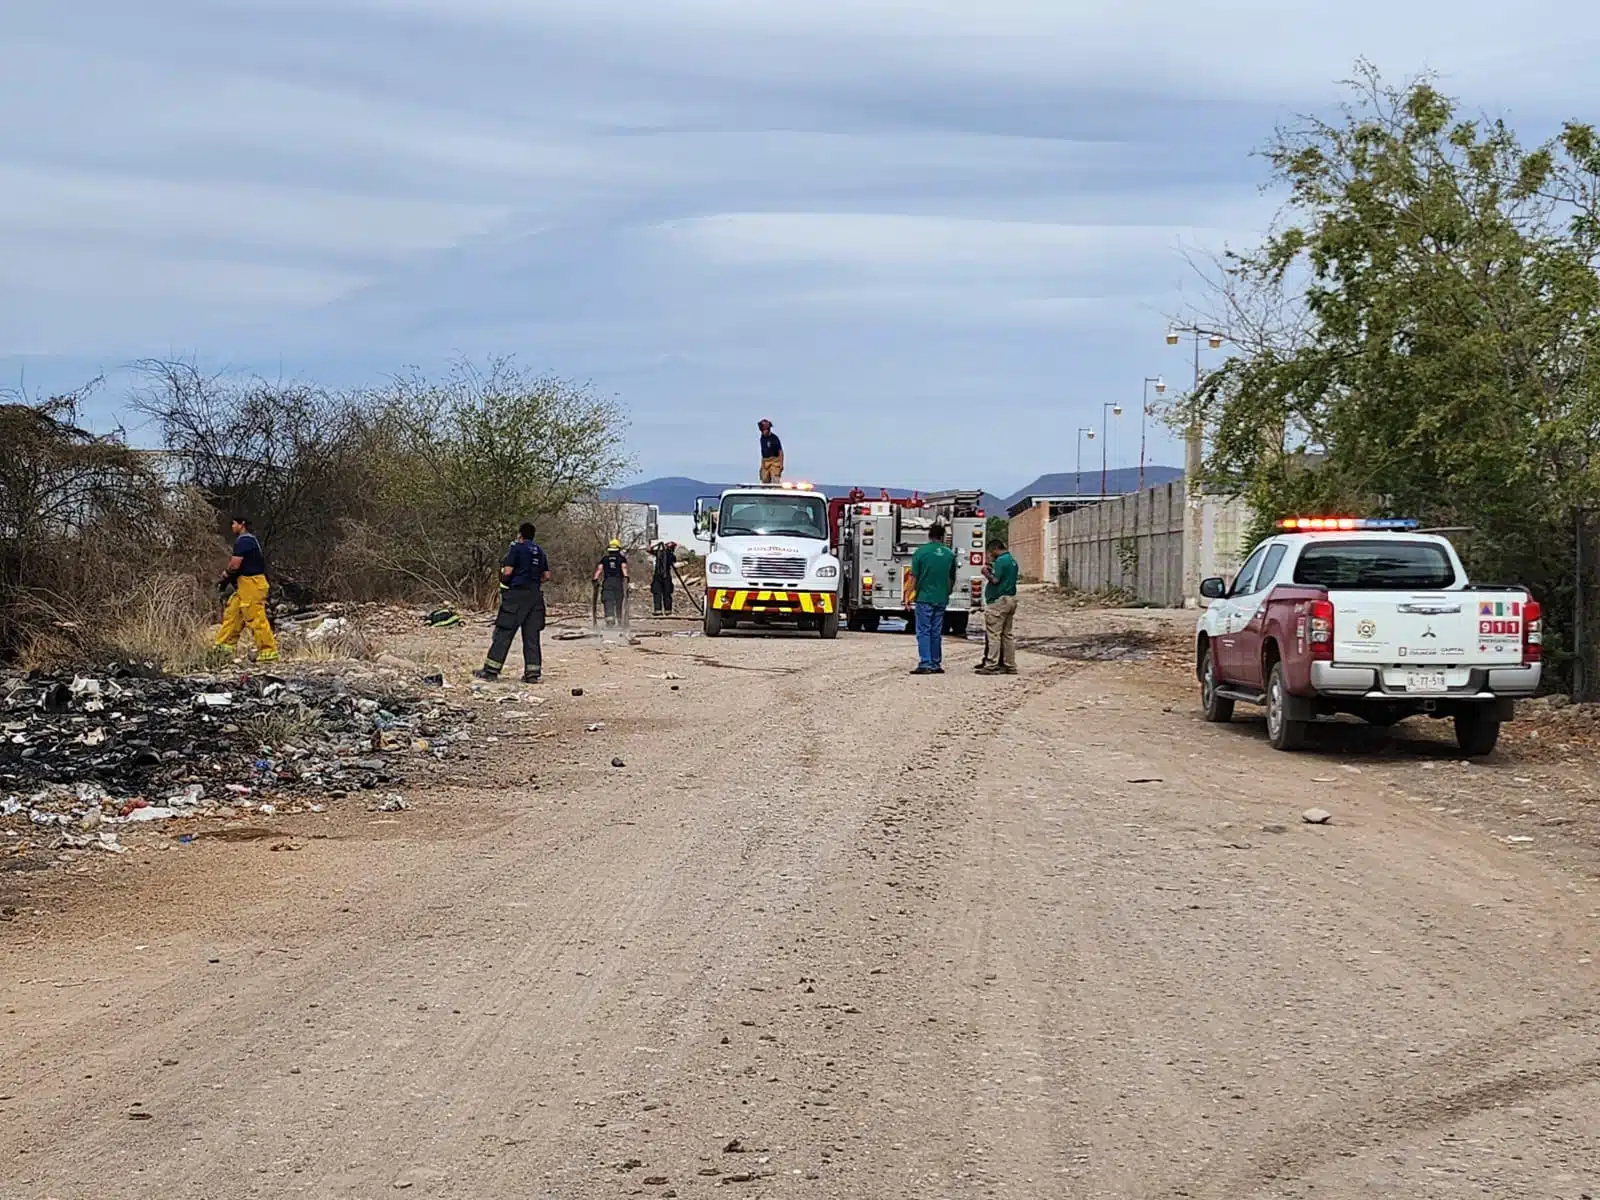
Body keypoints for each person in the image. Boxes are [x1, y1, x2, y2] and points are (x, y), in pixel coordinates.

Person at [475, 522, 551, 683]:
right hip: (535, 597)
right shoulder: (540, 551)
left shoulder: (516, 548)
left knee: (504, 631)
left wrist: (505, 578)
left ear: (520, 535)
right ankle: (532, 674)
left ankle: (491, 670)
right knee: (531, 636)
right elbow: (546, 576)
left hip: (517, 595)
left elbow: (508, 571)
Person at [215, 516, 279, 663]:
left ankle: (268, 652)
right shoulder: (250, 540)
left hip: (252, 583)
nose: (232, 526)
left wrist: (225, 576)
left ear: (241, 524)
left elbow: (235, 565)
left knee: (255, 617)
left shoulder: (244, 540)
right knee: (233, 614)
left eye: (233, 523)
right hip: (245, 584)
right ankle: (222, 649)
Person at [907, 521, 957, 675]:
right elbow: (951, 578)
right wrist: (946, 593)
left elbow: (913, 577)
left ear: (929, 536)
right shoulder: (949, 554)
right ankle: (936, 662)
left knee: (923, 631)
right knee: (936, 631)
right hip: (941, 598)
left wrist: (908, 596)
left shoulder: (921, 553)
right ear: (942, 537)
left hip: (924, 598)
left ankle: (925, 662)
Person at [976, 538, 1019, 675]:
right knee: (1007, 634)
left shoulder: (1001, 561)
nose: (990, 555)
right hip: (1011, 599)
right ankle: (1010, 664)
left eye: (990, 552)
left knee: (994, 634)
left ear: (995, 549)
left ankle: (991, 665)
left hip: (999, 601)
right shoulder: (1012, 560)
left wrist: (985, 572)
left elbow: (995, 580)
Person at [594, 538, 629, 626]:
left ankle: (610, 618)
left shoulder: (605, 558)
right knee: (619, 601)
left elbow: (599, 570)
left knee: (608, 600)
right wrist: (626, 578)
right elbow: (624, 569)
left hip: (607, 582)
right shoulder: (622, 558)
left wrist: (595, 579)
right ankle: (619, 620)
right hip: (618, 582)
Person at [650, 540, 678, 616]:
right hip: (665, 577)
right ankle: (666, 610)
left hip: (659, 576)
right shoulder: (669, 555)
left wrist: (656, 546)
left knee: (660, 593)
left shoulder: (660, 553)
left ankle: (660, 610)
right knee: (666, 593)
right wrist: (658, 545)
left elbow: (649, 550)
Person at [758, 419, 784, 484]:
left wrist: (781, 464)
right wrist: (762, 464)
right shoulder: (762, 438)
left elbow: (780, 451)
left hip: (774, 461)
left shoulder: (774, 438)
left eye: (764, 430)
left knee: (775, 479)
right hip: (765, 461)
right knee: (764, 479)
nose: (763, 432)